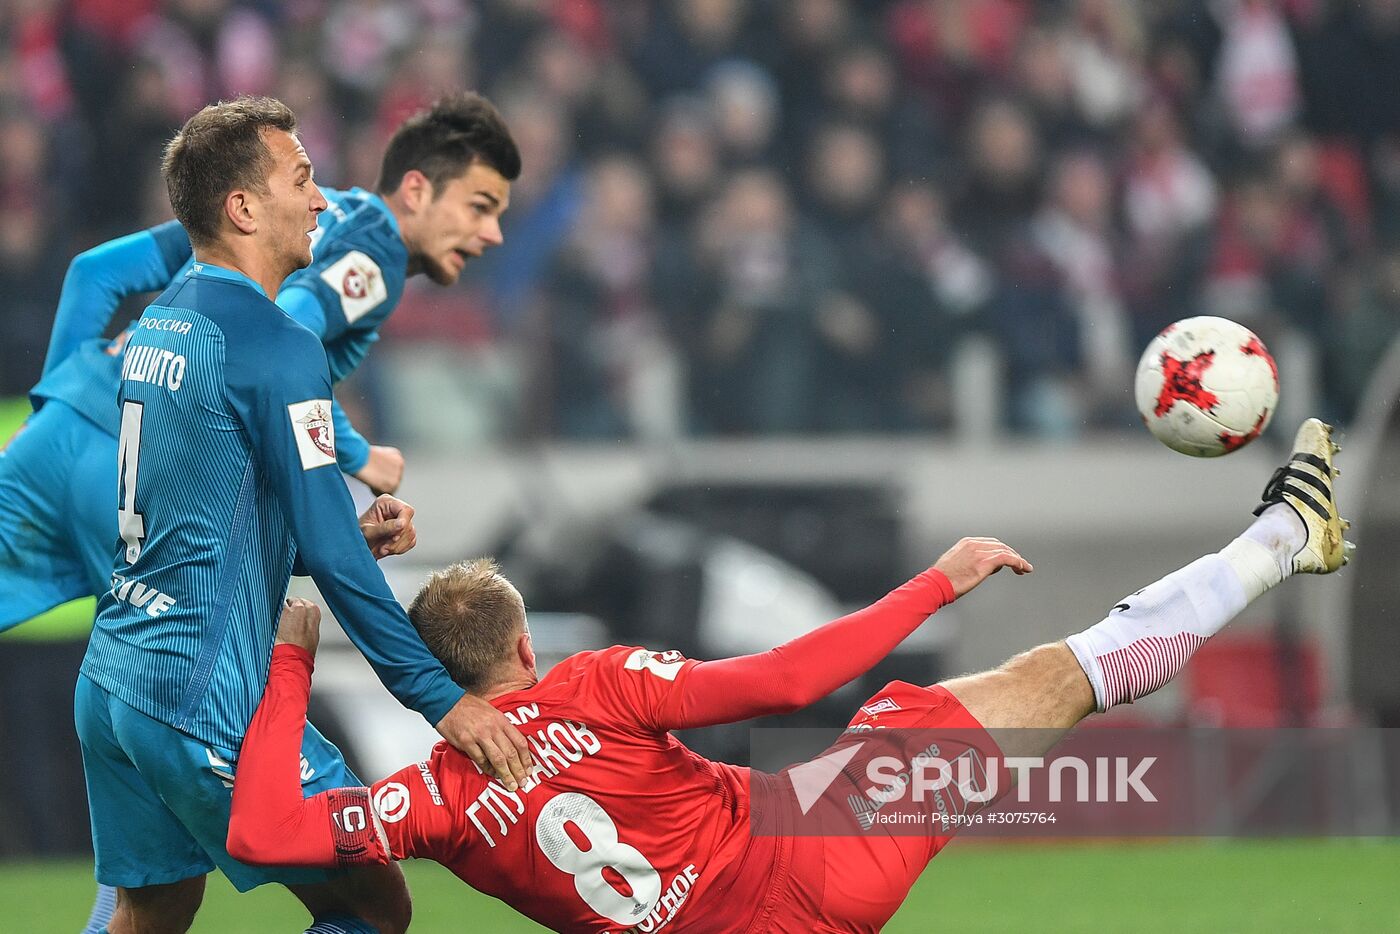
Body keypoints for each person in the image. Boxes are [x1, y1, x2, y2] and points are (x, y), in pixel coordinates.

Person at [230, 420, 1351, 931]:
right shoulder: (596, 684)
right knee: (1045, 681)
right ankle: (1274, 543)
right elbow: (781, 679)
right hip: (818, 851)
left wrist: (291, 650)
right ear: (526, 647)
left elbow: (262, 834)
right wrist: (929, 585)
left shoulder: (428, 799)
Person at [73, 97, 531, 934]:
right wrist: (440, 700)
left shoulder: (160, 323)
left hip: (113, 680)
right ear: (243, 207)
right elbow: (327, 547)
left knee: (156, 904)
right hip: (204, 694)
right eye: (302, 178)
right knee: (374, 901)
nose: (323, 200)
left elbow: (197, 526)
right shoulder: (276, 345)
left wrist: (325, 534)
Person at [1, 90, 520, 634]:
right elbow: (279, 330)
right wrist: (358, 454)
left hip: (58, 436)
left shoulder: (262, 210)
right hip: (144, 465)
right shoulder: (377, 256)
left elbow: (93, 273)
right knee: (225, 695)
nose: (492, 234)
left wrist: (59, 407)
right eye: (479, 208)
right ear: (416, 191)